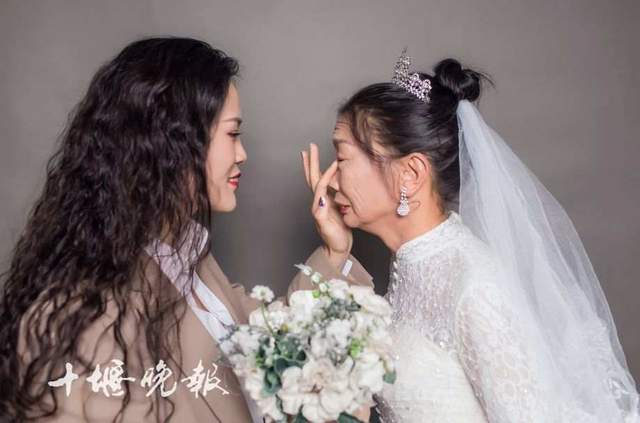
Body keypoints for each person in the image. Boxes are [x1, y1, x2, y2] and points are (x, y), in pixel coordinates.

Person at [0, 37, 373, 422]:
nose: (242, 154)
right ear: (173, 141)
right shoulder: (87, 312)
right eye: (232, 134)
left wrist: (334, 252)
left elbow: (269, 337)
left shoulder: (186, 256)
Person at [301, 49, 639, 422]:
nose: (329, 179)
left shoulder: (475, 284)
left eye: (342, 158)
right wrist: (335, 252)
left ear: (410, 175)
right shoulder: (413, 262)